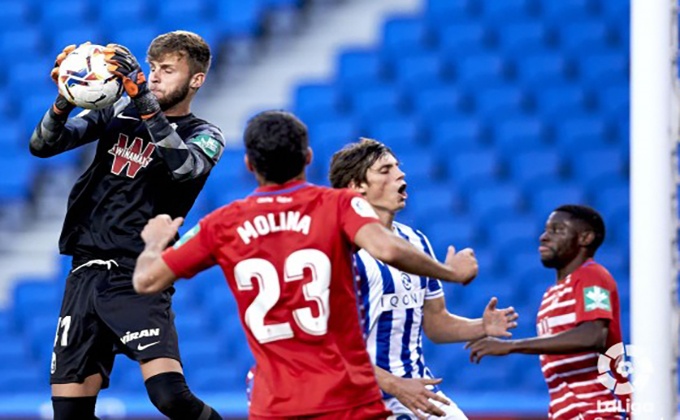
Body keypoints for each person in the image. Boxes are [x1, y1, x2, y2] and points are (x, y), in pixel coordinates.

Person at [132, 110, 480, 419]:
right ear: (308, 158)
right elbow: (386, 249)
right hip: (346, 398)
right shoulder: (338, 205)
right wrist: (450, 272)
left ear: (250, 165)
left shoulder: (223, 223)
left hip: (275, 402)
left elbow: (146, 282)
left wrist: (152, 244)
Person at [29, 31, 224, 420]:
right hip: (85, 272)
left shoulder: (205, 135)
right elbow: (43, 145)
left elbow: (185, 168)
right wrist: (64, 102)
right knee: (69, 414)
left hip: (138, 274)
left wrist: (143, 101)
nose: (154, 77)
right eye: (152, 68)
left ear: (195, 80)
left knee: (170, 397)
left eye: (167, 70)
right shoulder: (116, 113)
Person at [328, 138, 519, 420]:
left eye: (398, 167)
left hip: (416, 390)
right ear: (357, 187)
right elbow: (333, 347)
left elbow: (436, 322)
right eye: (385, 170)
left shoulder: (415, 241)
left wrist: (482, 326)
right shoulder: (340, 251)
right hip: (360, 399)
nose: (400, 174)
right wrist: (395, 385)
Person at [466, 205, 628, 419]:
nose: (543, 237)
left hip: (598, 410)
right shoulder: (551, 294)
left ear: (585, 238)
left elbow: (593, 335)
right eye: (546, 229)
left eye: (557, 230)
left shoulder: (592, 276)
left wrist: (512, 346)